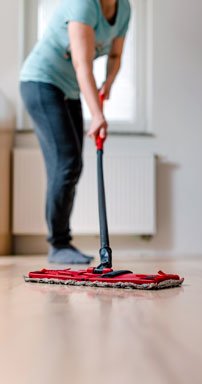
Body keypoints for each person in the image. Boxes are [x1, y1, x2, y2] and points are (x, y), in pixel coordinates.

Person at [20, 0, 131, 264]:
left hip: (68, 89)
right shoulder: (83, 4)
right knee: (66, 163)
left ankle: (61, 243)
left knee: (72, 164)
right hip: (41, 82)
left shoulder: (124, 9)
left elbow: (115, 55)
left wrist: (110, 83)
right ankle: (58, 244)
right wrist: (97, 115)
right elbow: (82, 65)